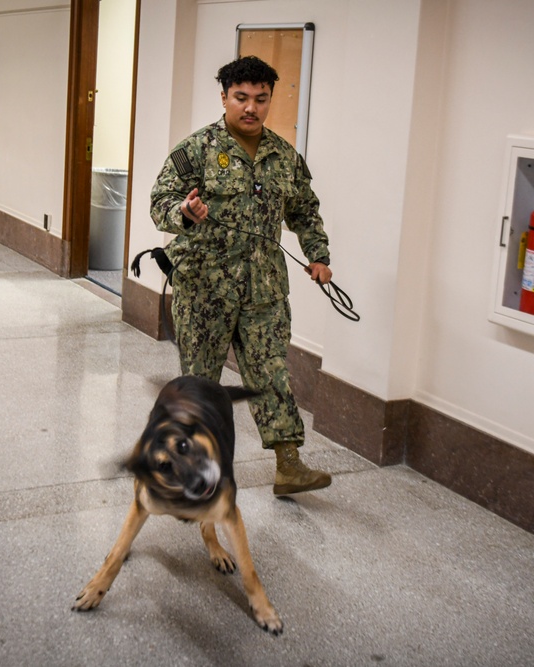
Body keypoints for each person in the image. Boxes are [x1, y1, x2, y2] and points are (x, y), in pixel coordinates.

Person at [149, 56, 333, 495]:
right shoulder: (195, 150)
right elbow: (160, 204)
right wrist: (185, 212)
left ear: (270, 100)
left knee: (271, 374)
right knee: (200, 383)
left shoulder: (283, 156)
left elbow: (305, 211)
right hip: (204, 289)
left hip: (264, 290)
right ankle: (185, 467)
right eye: (241, 98)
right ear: (225, 97)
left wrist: (319, 256)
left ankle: (289, 466)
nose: (251, 108)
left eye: (261, 99)